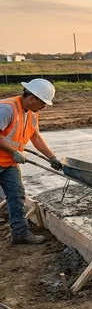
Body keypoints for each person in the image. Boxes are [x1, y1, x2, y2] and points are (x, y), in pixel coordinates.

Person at [0, 79, 62, 245]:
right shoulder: (7, 108)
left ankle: (20, 234)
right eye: (43, 103)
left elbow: (35, 137)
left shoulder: (32, 114)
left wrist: (51, 157)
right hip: (8, 158)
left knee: (16, 197)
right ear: (32, 98)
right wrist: (13, 152)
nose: (44, 107)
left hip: (8, 164)